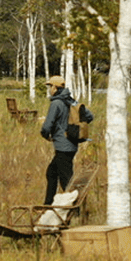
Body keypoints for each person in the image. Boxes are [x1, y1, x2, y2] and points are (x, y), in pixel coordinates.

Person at [38, 76, 93, 205]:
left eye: (50, 87)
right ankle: (48, 203)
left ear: (55, 88)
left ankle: (76, 207)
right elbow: (89, 116)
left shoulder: (56, 103)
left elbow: (47, 125)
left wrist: (46, 135)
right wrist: (76, 128)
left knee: (66, 180)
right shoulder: (71, 100)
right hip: (71, 144)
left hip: (63, 146)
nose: (49, 89)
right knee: (51, 172)